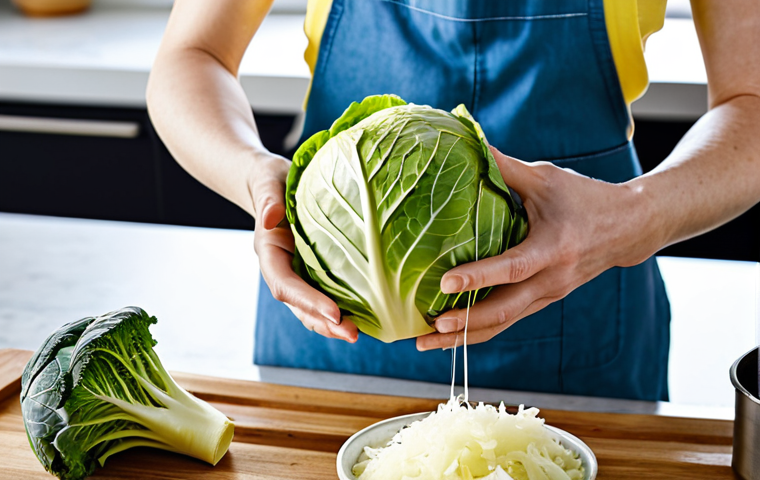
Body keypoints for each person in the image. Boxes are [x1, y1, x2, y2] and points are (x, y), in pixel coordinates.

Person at [147, 0, 760, 401]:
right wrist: (257, 179)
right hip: (331, 322)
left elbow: (752, 100)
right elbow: (190, 56)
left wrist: (636, 215)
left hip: (581, 319)